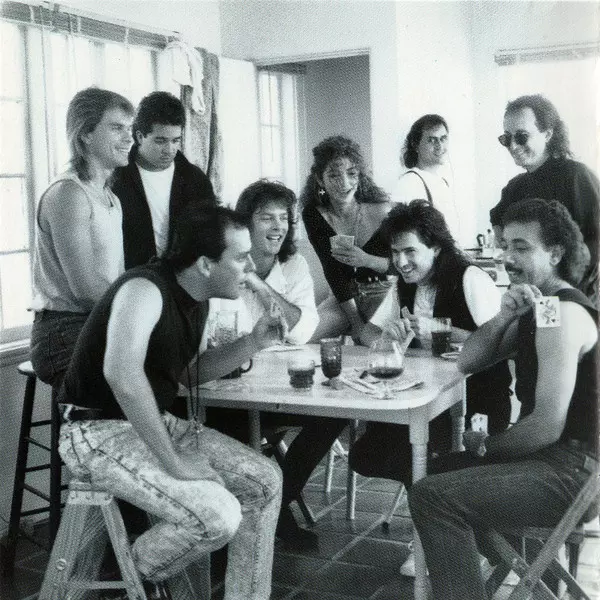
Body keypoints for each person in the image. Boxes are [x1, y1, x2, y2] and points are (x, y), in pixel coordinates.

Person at [57, 205, 282, 600]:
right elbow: (122, 374)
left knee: (264, 482)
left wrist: (253, 343)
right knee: (218, 516)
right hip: (95, 432)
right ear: (205, 264)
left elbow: (185, 373)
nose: (251, 268)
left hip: (152, 422)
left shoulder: (199, 297)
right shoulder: (143, 289)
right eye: (241, 257)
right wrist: (175, 462)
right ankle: (124, 582)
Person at [408, 198, 598, 600]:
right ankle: (537, 576)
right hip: (558, 464)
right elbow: (468, 361)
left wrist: (487, 448)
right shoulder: (541, 307)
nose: (508, 258)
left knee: (432, 496)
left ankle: (525, 577)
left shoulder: (561, 314)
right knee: (434, 474)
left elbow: (546, 426)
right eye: (505, 245)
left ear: (556, 254)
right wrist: (503, 316)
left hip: (571, 475)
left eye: (522, 248)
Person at [204, 180, 345, 550]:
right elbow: (218, 336)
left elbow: (302, 331)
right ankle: (250, 527)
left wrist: (258, 283)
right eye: (267, 217)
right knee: (231, 426)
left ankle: (277, 505)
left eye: (284, 218)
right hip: (230, 388)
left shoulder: (294, 265)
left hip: (280, 385)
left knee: (333, 415)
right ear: (245, 223)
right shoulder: (223, 265)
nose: (278, 226)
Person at [352, 200, 512, 477]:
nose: (401, 262)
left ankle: (429, 489)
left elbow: (502, 346)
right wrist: (387, 337)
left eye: (410, 251)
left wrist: (442, 331)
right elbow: (367, 333)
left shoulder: (470, 278)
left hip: (477, 400)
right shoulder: (404, 284)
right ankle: (426, 487)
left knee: (413, 457)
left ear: (436, 248)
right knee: (364, 456)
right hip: (423, 396)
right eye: (395, 252)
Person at [30, 88, 134, 392]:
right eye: (117, 128)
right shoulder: (69, 194)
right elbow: (86, 290)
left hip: (96, 322)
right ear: (86, 134)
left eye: (129, 128)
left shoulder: (110, 197)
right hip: (64, 330)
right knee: (136, 387)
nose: (129, 138)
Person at [490, 94, 599, 304]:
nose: (513, 146)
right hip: (529, 299)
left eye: (522, 137)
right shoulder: (514, 188)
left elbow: (594, 246)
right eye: (506, 138)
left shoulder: (577, 177)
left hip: (571, 297)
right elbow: (498, 223)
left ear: (548, 134)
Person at [300, 136, 392, 342]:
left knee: (381, 347)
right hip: (343, 300)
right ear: (320, 179)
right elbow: (333, 273)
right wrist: (357, 322)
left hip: (384, 294)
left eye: (351, 173)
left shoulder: (383, 210)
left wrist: (366, 260)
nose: (344, 183)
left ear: (359, 175)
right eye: (334, 175)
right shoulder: (313, 214)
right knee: (302, 338)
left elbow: (400, 266)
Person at [112, 91, 216, 270]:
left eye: (175, 140)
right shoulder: (116, 178)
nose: (169, 150)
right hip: (133, 278)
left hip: (185, 280)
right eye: (160, 141)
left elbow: (209, 237)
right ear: (139, 136)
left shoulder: (196, 180)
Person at [392, 114, 462, 243]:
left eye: (443, 138)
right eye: (431, 140)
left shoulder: (442, 182)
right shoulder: (409, 182)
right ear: (415, 145)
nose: (439, 145)